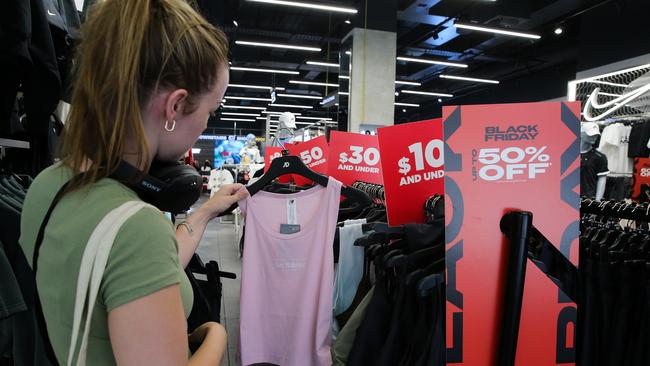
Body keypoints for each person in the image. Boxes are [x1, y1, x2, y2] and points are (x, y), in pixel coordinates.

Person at [18, 0, 247, 365]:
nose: (206, 124)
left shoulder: (48, 185)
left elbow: (136, 266)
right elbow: (135, 250)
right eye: (210, 110)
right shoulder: (136, 227)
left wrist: (204, 212)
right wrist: (217, 335)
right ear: (175, 107)